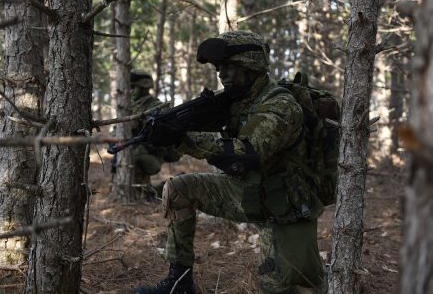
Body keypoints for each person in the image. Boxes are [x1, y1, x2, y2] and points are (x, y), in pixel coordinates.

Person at [134, 31, 326, 294]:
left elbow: (244, 153)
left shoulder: (280, 105)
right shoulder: (235, 101)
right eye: (219, 68)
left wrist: (182, 139)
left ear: (252, 66)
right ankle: (179, 284)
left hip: (285, 207)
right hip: (247, 193)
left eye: (229, 67)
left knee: (287, 288)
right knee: (178, 190)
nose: (221, 75)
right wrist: (170, 125)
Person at [113, 70, 181, 201]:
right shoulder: (130, 107)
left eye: (133, 87)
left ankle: (167, 190)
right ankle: (142, 193)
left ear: (144, 87)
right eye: (129, 88)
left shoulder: (156, 106)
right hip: (134, 151)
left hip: (152, 153)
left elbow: (164, 135)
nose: (130, 91)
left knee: (134, 157)